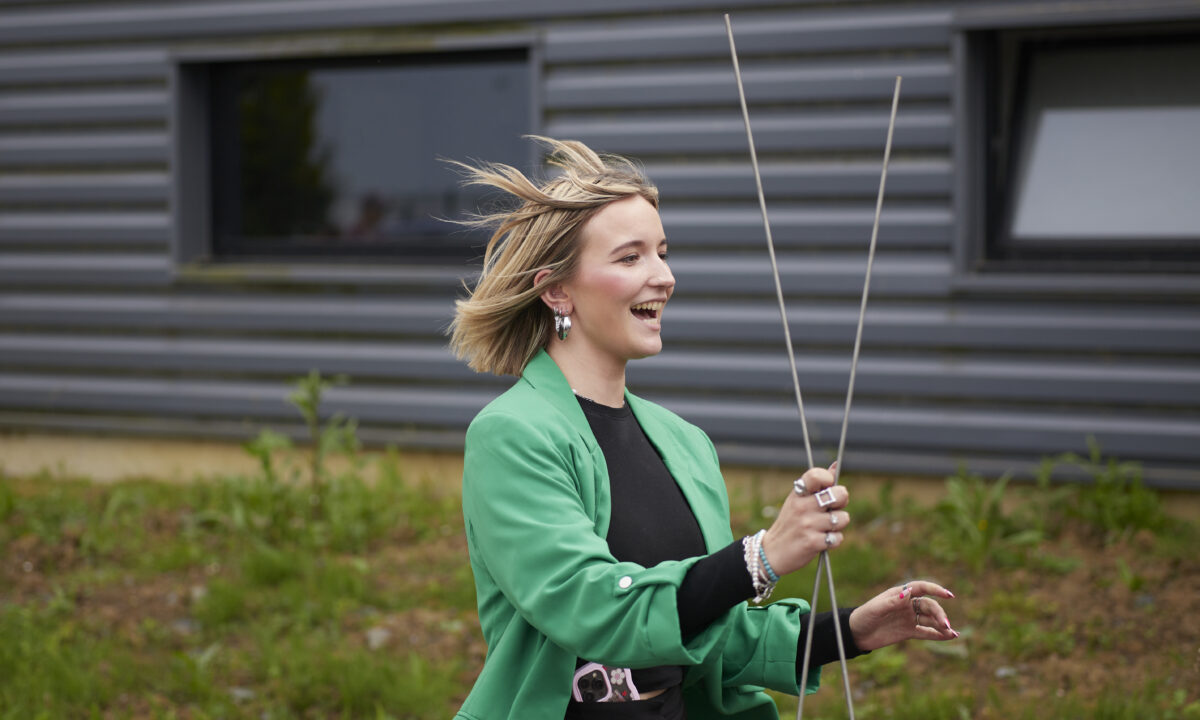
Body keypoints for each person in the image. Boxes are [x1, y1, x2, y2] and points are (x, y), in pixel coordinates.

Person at [449, 136, 958, 720]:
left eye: (663, 252)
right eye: (630, 257)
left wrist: (848, 631)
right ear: (558, 289)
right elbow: (592, 607)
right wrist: (760, 557)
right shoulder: (512, 434)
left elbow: (710, 636)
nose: (664, 276)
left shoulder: (686, 443)